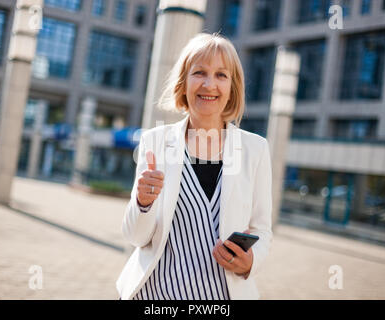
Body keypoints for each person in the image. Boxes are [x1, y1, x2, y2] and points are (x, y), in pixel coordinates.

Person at [117, 33, 273, 300]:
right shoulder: (155, 141)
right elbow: (136, 237)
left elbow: (262, 230)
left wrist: (251, 262)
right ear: (184, 82)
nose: (209, 84)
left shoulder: (255, 149)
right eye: (199, 72)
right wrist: (143, 202)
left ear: (232, 86)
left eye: (221, 75)